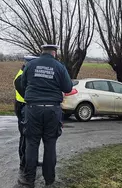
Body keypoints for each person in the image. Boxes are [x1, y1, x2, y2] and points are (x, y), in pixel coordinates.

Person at [18, 44, 73, 187]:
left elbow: (22, 84)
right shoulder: (59, 66)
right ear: (54, 53)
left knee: (32, 144)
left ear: (42, 52)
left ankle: (29, 179)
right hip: (52, 110)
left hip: (33, 109)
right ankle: (49, 180)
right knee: (50, 144)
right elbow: (68, 87)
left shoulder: (31, 65)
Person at [13, 55, 43, 174]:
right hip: (23, 107)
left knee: (29, 136)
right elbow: (28, 94)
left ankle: (31, 161)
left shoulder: (24, 75)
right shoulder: (20, 78)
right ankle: (24, 162)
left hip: (24, 107)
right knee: (25, 136)